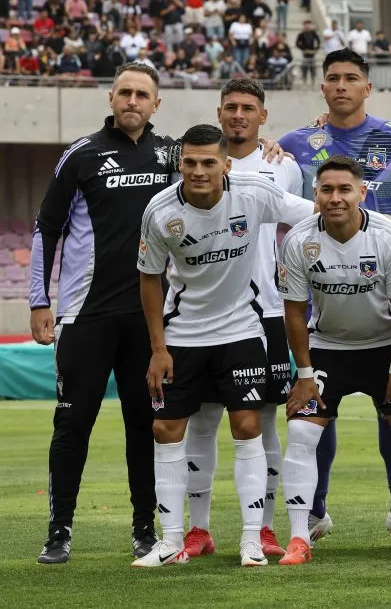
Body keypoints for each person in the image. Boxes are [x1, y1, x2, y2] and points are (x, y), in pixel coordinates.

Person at [132, 124, 312, 568]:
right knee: (164, 430)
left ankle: (251, 540)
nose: (198, 171)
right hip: (183, 335)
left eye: (208, 162)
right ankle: (172, 540)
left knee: (249, 426)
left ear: (225, 164)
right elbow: (149, 279)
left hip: (241, 331)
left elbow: (321, 210)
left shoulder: (254, 192)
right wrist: (158, 348)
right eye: (190, 162)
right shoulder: (159, 211)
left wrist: (390, 222)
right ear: (180, 164)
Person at [279, 48, 391, 544]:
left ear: (367, 87)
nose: (342, 86)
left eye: (352, 78)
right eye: (333, 79)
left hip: (386, 291)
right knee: (313, 422)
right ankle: (313, 513)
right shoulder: (292, 143)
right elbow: (270, 196)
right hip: (323, 291)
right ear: (322, 88)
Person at [29, 63, 177, 564]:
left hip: (149, 322)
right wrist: (39, 300)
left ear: (156, 104)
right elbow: (45, 229)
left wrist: (268, 150)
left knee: (146, 426)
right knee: (72, 425)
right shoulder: (81, 155)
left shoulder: (172, 156)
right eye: (125, 92)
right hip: (86, 317)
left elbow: (221, 178)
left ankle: (144, 529)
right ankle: (58, 531)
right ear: (111, 98)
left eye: (143, 95)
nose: (133, 101)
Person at [276, 155, 391, 565]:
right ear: (315, 194)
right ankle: (300, 534)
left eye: (345, 189)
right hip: (328, 347)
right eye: (327, 190)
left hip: (384, 349)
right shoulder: (297, 240)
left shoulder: (388, 237)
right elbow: (294, 312)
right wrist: (304, 374)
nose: (336, 198)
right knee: (303, 434)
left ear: (363, 193)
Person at [180, 80, 304, 563]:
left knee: (264, 422)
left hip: (265, 310)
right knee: (201, 421)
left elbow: (310, 214)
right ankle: (199, 529)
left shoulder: (282, 166)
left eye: (247, 108)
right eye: (230, 107)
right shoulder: (195, 163)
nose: (238, 115)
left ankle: (266, 528)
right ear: (219, 112)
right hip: (200, 314)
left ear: (262, 115)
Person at [295, 19, 321, 85]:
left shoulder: (313, 33)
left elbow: (318, 41)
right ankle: (305, 80)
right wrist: (303, 49)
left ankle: (313, 81)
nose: (307, 27)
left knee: (313, 68)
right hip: (305, 53)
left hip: (312, 53)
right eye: (306, 25)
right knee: (304, 68)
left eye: (308, 25)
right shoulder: (301, 34)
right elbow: (297, 43)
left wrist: (315, 49)